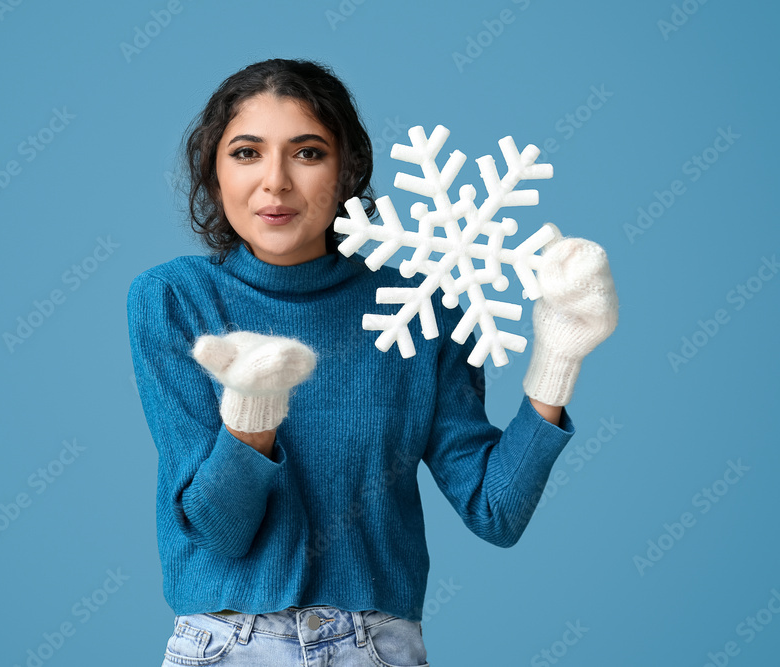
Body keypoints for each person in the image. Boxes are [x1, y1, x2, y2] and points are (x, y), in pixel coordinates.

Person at [127, 58, 617, 667]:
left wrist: (559, 355)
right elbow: (220, 531)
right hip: (228, 647)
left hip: (373, 649)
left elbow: (496, 511)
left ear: (347, 171)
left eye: (307, 153)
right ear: (213, 170)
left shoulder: (419, 307)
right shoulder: (173, 299)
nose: (275, 182)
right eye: (247, 153)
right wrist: (253, 405)